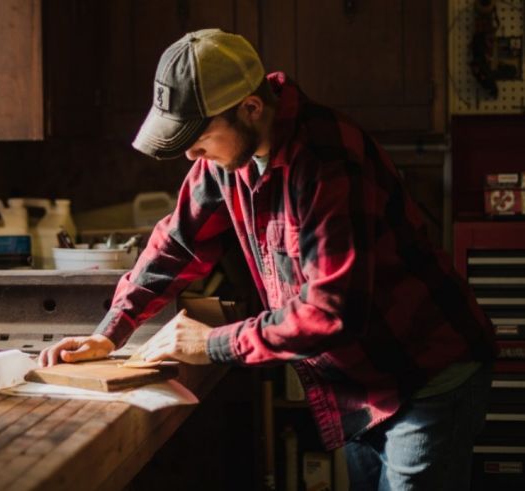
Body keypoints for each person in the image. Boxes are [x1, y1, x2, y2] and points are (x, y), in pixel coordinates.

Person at [39, 28, 496, 489]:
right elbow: (177, 243)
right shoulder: (224, 160)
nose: (191, 155)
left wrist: (213, 344)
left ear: (251, 108)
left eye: (197, 138)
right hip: (363, 384)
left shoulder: (326, 160)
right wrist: (112, 331)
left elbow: (331, 312)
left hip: (426, 374)